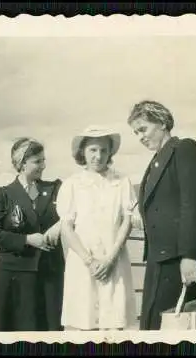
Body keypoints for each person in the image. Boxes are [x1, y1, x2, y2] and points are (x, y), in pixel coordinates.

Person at [126, 100, 196, 330]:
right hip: (159, 257)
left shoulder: (183, 149)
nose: (140, 137)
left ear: (162, 123)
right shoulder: (157, 160)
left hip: (179, 258)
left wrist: (189, 256)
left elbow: (193, 205)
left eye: (143, 129)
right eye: (136, 132)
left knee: (175, 325)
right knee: (155, 323)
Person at [56, 125, 137, 331]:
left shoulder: (122, 182)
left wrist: (110, 258)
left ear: (110, 152)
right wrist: (89, 261)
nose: (98, 156)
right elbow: (66, 227)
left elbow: (126, 222)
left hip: (114, 259)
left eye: (103, 150)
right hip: (83, 262)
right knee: (84, 321)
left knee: (115, 322)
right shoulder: (72, 184)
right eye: (93, 150)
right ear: (82, 152)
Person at [0, 137, 65, 331]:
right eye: (38, 161)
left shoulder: (54, 189)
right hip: (15, 277)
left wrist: (60, 225)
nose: (43, 166)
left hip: (49, 275)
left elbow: (73, 214)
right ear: (21, 164)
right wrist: (27, 239)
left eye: (43, 160)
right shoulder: (3, 194)